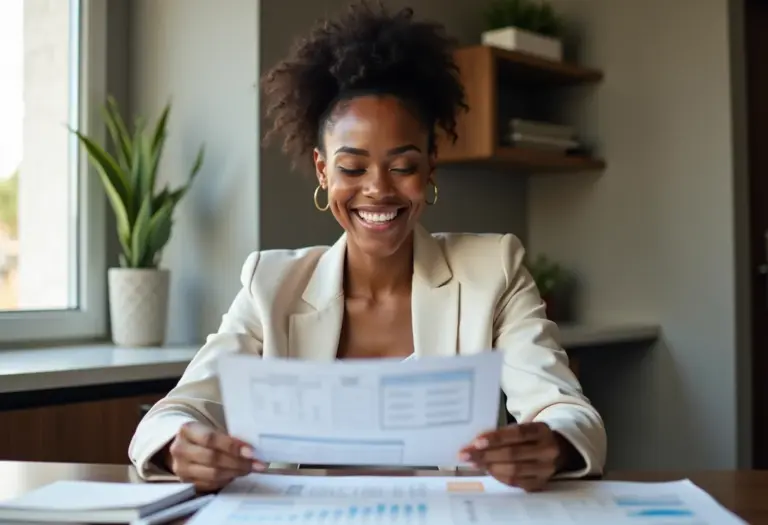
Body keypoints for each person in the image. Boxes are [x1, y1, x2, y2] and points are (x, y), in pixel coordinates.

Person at [128, 2, 606, 493]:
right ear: (323, 171)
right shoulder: (270, 286)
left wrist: (552, 444)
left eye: (402, 166)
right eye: (353, 168)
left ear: (431, 166)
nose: (377, 189)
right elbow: (173, 413)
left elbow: (567, 409)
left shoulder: (493, 271)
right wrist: (179, 445)